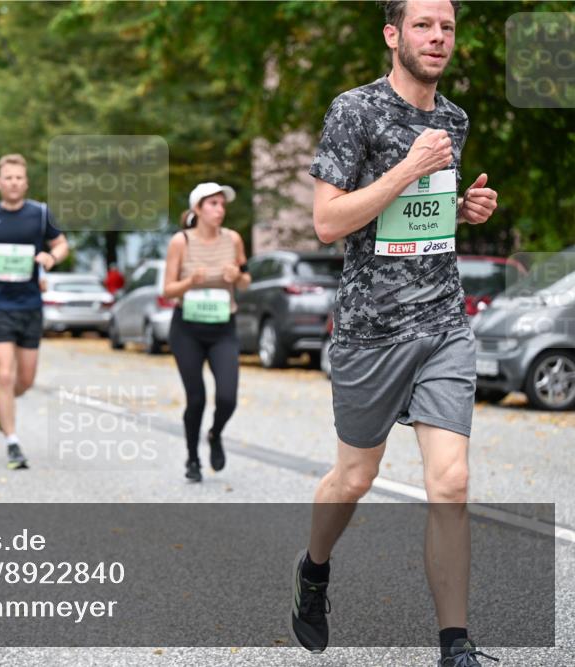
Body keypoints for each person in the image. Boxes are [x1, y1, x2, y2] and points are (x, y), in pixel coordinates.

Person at [291, 2, 499, 666]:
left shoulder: (454, 119)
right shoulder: (353, 111)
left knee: (452, 481)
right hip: (370, 331)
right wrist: (408, 167)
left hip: (442, 321)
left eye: (447, 27)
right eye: (423, 26)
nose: (438, 38)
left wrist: (462, 209)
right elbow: (327, 223)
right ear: (392, 35)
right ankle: (314, 568)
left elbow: (424, 217)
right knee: (354, 476)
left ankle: (454, 645)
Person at [0, 153, 69, 470]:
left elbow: (61, 244)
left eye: (19, 177)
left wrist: (51, 257)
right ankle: (13, 442)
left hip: (30, 304)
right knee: (3, 375)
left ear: (26, 182)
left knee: (25, 380)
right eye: (8, 177)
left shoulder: (41, 214)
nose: (14, 182)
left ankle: (1, 404)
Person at [162, 183, 250, 483]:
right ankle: (192, 458)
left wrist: (237, 276)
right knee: (196, 398)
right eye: (213, 204)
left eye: (222, 204)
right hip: (187, 329)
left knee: (228, 397)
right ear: (198, 208)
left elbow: (246, 281)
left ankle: (215, 433)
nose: (220, 210)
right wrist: (189, 282)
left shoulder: (234, 239)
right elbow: (167, 289)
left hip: (223, 328)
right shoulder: (180, 241)